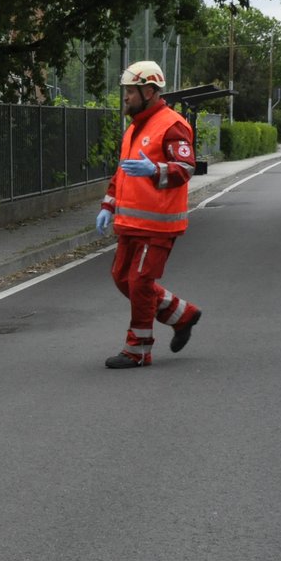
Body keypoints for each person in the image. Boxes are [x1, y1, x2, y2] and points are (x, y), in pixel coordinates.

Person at [94, 60, 203, 369]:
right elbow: (122, 174)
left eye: (131, 91)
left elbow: (185, 168)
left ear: (150, 91)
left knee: (141, 283)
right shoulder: (133, 128)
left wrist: (154, 169)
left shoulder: (173, 124)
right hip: (129, 222)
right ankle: (182, 314)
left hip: (158, 225)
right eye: (126, 91)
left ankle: (138, 350)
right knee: (121, 279)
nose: (126, 97)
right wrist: (107, 206)